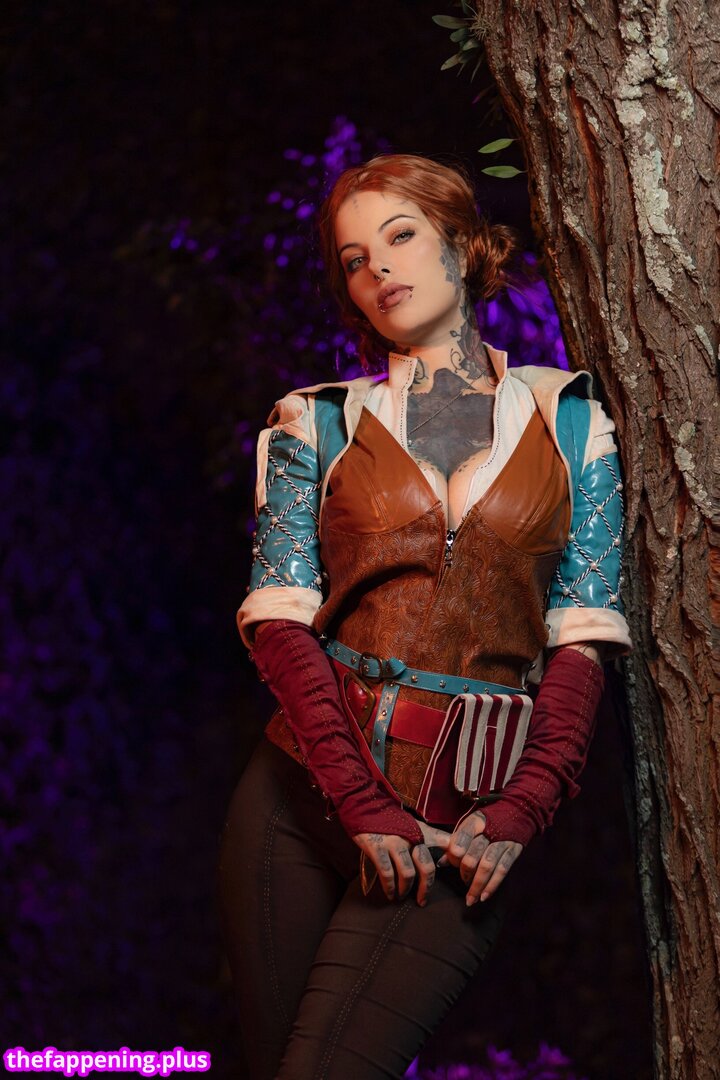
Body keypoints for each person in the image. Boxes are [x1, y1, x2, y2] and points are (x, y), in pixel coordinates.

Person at [218, 154, 631, 1080]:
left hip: (461, 825)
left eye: (400, 236)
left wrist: (522, 808)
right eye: (354, 259)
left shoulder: (570, 420)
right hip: (298, 800)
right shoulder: (315, 421)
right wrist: (360, 801)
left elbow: (583, 638)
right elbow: (279, 625)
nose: (378, 268)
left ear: (464, 244)